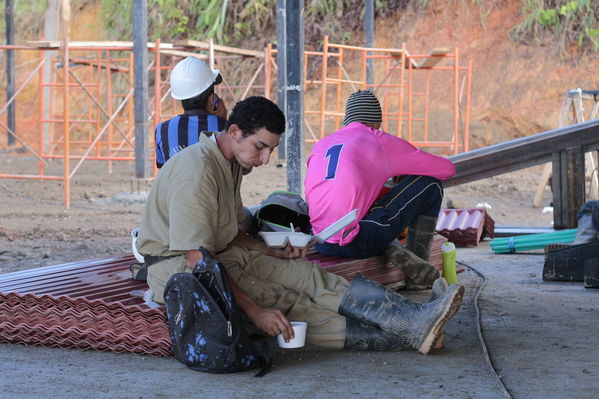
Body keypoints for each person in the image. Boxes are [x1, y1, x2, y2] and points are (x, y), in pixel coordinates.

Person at [136, 96, 464, 355]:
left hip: (223, 253)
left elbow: (229, 229)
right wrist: (256, 313)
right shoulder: (196, 169)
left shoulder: (229, 160)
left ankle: (413, 318)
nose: (265, 159)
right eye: (260, 148)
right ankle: (404, 338)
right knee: (283, 301)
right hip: (179, 268)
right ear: (235, 132)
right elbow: (197, 259)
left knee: (309, 275)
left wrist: (270, 251)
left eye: (271, 149)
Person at [304, 89, 456, 289]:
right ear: (376, 122)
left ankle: (394, 250)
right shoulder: (377, 139)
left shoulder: (321, 145)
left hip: (319, 240)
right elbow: (447, 169)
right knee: (429, 184)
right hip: (358, 241)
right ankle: (416, 279)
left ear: (347, 120)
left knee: (365, 202)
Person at [155, 56, 228, 169]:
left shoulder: (162, 130)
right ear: (211, 100)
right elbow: (243, 168)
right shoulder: (224, 128)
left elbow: (162, 167)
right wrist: (223, 122)